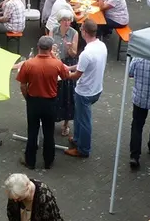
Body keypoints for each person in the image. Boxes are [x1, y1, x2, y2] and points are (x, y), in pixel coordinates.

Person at [16, 36, 70, 170]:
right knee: (49, 132)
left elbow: (23, 85)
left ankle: (30, 161)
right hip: (50, 103)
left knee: (32, 131)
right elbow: (66, 76)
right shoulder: (56, 64)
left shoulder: (28, 64)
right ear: (51, 49)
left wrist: (28, 98)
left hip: (33, 101)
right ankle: (48, 161)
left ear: (38, 47)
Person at [65, 20, 107, 158]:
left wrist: (64, 74)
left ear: (84, 31)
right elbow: (82, 66)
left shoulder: (86, 53)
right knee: (79, 116)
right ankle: (77, 139)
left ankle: (83, 149)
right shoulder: (101, 45)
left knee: (84, 121)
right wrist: (69, 67)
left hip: (85, 91)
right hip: (96, 88)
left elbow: (77, 75)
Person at [49, 10, 79, 137]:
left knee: (67, 95)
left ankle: (66, 124)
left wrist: (69, 47)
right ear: (60, 21)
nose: (67, 22)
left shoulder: (74, 33)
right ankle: (51, 119)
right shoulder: (53, 30)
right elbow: (48, 49)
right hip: (55, 62)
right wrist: (52, 51)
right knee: (53, 92)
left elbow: (74, 54)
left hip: (67, 63)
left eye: (69, 20)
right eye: (65, 20)